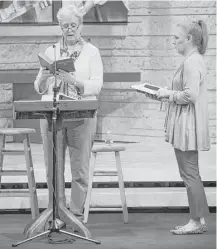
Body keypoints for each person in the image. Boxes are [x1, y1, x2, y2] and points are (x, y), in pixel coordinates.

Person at [34, 5, 103, 220]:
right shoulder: (51, 51)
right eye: (65, 26)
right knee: (53, 166)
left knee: (79, 167)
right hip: (53, 115)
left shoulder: (92, 52)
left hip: (81, 115)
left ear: (80, 25)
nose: (70, 30)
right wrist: (45, 77)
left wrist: (75, 82)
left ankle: (74, 213)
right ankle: (57, 212)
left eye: (73, 25)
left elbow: (97, 85)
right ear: (59, 27)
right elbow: (38, 86)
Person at [155, 19, 210, 235]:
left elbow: (191, 95)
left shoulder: (191, 62)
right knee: (191, 173)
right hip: (186, 122)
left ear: (189, 39)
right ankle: (199, 219)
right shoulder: (192, 60)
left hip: (188, 125)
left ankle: (196, 221)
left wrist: (168, 94)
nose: (173, 42)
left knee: (189, 174)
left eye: (176, 38)